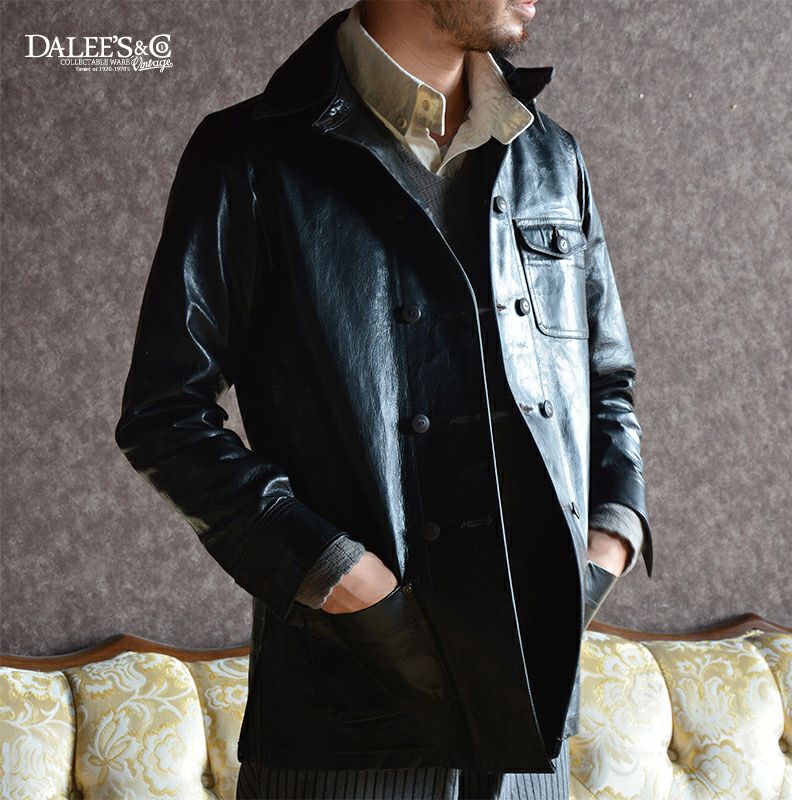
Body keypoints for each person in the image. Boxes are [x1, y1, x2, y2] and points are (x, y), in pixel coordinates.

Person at [115, 1, 654, 798]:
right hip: (345, 727)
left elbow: (605, 382)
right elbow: (165, 414)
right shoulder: (253, 153)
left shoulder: (551, 157)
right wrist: (339, 576)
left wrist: (607, 543)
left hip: (530, 740)